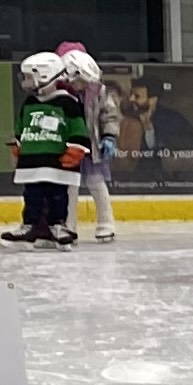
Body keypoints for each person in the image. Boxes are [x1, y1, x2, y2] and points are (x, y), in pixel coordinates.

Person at [5, 51, 89, 245]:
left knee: (57, 196)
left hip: (56, 163)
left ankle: (57, 225)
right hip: (32, 162)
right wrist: (18, 145)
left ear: (44, 75)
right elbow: (21, 126)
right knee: (31, 196)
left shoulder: (67, 102)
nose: (25, 82)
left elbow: (78, 128)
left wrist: (76, 150)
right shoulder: (30, 102)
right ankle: (29, 225)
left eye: (28, 77)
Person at [52, 43, 121, 239]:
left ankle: (106, 223)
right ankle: (69, 225)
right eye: (79, 81)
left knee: (97, 183)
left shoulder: (98, 90)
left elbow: (110, 114)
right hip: (68, 148)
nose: (82, 85)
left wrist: (109, 136)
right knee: (69, 188)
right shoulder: (58, 93)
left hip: (92, 147)